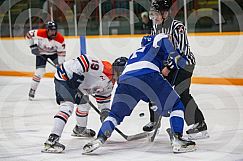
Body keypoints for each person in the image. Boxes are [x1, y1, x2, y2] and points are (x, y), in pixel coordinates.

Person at [83, 33, 196, 154]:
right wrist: (176, 55)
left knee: (114, 115)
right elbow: (162, 40)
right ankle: (178, 139)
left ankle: (100, 138)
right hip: (148, 75)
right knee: (176, 105)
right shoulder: (156, 42)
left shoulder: (136, 53)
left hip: (126, 80)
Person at [143, 0, 209, 140]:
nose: (153, 17)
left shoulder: (177, 26)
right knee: (153, 86)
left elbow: (182, 51)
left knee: (181, 92)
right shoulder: (155, 28)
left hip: (184, 64)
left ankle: (199, 124)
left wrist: (168, 67)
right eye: (152, 14)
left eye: (156, 14)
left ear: (165, 13)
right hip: (169, 65)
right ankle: (154, 120)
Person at [41, 54, 114, 153]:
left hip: (79, 87)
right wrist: (76, 76)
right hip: (65, 77)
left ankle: (80, 129)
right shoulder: (105, 68)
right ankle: (51, 140)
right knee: (67, 106)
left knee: (85, 104)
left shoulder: (109, 85)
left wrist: (105, 114)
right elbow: (84, 60)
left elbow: (104, 103)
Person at [25, 21, 66, 100]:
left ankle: (65, 90)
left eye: (54, 30)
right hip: (41, 53)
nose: (53, 32)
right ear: (47, 30)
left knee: (63, 70)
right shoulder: (40, 33)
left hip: (54, 54)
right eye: (51, 30)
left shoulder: (60, 39)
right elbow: (28, 35)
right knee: (39, 72)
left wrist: (60, 64)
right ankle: (32, 89)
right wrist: (32, 46)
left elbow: (61, 53)